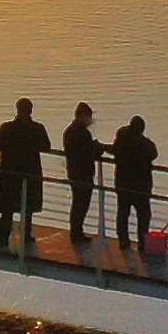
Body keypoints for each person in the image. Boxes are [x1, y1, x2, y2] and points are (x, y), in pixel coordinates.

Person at [0, 99, 52, 223]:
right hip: (30, 171)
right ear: (30, 110)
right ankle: (26, 234)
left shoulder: (7, 127)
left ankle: (4, 235)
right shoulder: (37, 128)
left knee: (8, 206)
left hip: (10, 171)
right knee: (28, 206)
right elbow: (46, 146)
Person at [111, 116, 158, 248]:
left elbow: (115, 150)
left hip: (122, 183)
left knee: (123, 213)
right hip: (140, 186)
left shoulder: (121, 139)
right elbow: (153, 154)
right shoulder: (143, 144)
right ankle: (142, 243)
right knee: (143, 215)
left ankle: (123, 240)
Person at [61, 102, 104, 243]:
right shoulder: (82, 132)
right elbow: (88, 151)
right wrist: (98, 149)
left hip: (74, 171)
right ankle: (76, 232)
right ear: (83, 116)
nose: (90, 121)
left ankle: (76, 231)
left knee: (77, 203)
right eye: (89, 117)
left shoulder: (69, 131)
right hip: (83, 173)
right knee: (81, 203)